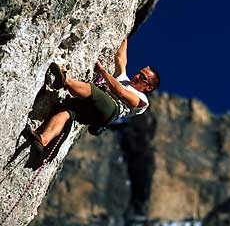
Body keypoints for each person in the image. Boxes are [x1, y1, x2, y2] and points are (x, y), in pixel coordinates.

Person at [24, 37, 160, 153]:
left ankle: (65, 80)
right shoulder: (124, 79)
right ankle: (43, 139)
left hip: (112, 108)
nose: (137, 76)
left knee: (91, 89)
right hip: (98, 114)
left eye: (142, 77)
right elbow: (120, 60)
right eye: (139, 72)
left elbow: (121, 93)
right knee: (66, 110)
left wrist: (102, 71)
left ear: (148, 87)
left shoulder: (142, 100)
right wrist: (125, 38)